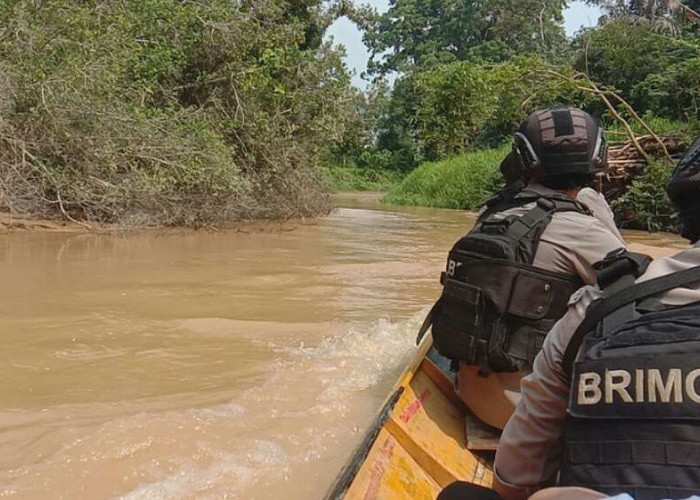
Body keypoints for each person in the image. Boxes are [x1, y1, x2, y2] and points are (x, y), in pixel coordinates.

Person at [494, 137, 700, 500]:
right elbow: (617, 257)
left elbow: (515, 476)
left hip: (483, 388)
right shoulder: (585, 228)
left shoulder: (495, 213)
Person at [428, 108, 628, 429]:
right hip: (530, 415)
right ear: (598, 157)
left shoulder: (490, 213)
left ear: (522, 157)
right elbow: (642, 305)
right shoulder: (584, 228)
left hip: (471, 395)